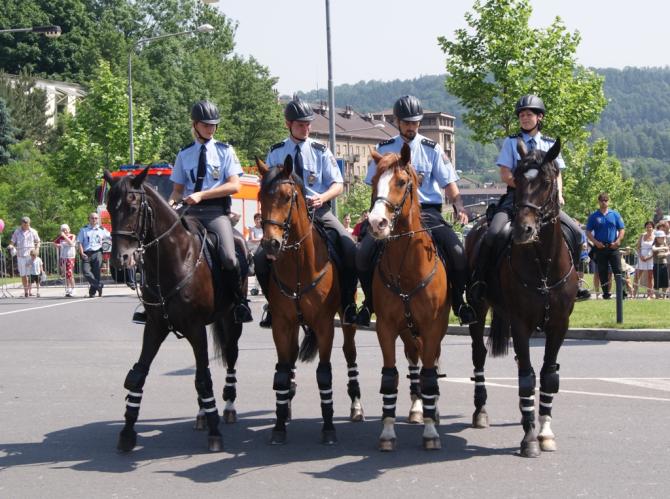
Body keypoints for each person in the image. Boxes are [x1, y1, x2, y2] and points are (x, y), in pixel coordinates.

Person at [357, 95, 477, 326]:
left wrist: (459, 205)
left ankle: (459, 302)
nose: (411, 126)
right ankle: (369, 304)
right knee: (362, 255)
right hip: (390, 213)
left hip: (427, 212)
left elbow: (449, 184)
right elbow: (374, 185)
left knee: (458, 254)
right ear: (397, 122)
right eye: (407, 122)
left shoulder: (431, 148)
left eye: (415, 122)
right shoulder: (383, 149)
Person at [470, 94, 591, 302]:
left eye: (529, 114)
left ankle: (576, 282)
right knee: (493, 234)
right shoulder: (511, 142)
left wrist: (559, 194)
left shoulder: (550, 143)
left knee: (578, 233)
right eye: (522, 115)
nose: (524, 118)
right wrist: (526, 189)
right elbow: (506, 173)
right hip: (516, 198)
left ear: (540, 117)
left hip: (545, 201)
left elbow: (557, 174)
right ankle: (481, 281)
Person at [254, 97, 358, 328]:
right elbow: (268, 187)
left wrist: (323, 197)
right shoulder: (276, 152)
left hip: (319, 212)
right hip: (285, 218)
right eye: (301, 124)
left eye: (308, 124)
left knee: (350, 249)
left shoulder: (321, 150)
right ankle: (273, 306)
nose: (306, 128)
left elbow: (338, 184)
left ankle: (349, 304)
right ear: (288, 124)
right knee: (260, 259)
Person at [170, 100, 252, 323]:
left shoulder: (225, 151)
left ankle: (239, 302)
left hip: (215, 213)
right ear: (195, 124)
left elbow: (235, 185)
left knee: (228, 255)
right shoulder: (184, 154)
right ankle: (154, 304)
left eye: (214, 125)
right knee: (161, 247)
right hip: (189, 213)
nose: (211, 129)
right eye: (206, 125)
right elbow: (177, 190)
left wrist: (202, 195)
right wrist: (170, 202)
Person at [585, 192, 626, 300]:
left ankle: (622, 292)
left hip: (613, 247)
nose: (604, 202)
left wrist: (618, 241)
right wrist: (595, 242)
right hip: (600, 247)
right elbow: (588, 232)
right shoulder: (594, 216)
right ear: (598, 202)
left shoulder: (615, 214)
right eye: (602, 200)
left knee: (618, 269)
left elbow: (621, 229)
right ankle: (606, 293)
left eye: (606, 200)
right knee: (602, 271)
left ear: (609, 201)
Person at [77, 212, 111, 297]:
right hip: (86, 253)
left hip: (97, 252)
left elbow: (110, 236)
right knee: (86, 271)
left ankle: (92, 292)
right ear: (89, 219)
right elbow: (79, 243)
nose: (94, 220)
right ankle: (99, 285)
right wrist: (81, 253)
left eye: (96, 218)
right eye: (92, 218)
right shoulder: (83, 230)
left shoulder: (101, 229)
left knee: (96, 273)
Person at [8, 216, 40, 298]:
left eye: (27, 223)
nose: (26, 225)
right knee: (23, 274)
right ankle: (25, 291)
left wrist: (37, 249)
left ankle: (30, 290)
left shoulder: (33, 231)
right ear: (21, 223)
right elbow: (12, 241)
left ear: (29, 223)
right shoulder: (17, 231)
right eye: (24, 223)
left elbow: (38, 241)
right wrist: (10, 246)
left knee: (31, 274)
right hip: (21, 255)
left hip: (30, 255)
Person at [54, 223, 77, 296]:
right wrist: (58, 245)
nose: (65, 231)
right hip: (63, 257)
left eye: (66, 230)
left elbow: (71, 243)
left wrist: (64, 236)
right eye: (63, 230)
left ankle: (73, 289)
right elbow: (54, 243)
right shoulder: (60, 238)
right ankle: (68, 288)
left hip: (70, 257)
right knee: (66, 274)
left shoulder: (72, 236)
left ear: (69, 230)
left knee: (70, 273)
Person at [634, 221, 655, 299]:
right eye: (647, 227)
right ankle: (634, 294)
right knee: (636, 276)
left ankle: (649, 294)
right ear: (645, 228)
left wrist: (649, 257)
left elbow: (655, 249)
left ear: (653, 228)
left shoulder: (655, 237)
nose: (649, 228)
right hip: (641, 258)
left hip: (651, 258)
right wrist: (640, 256)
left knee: (650, 277)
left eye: (650, 227)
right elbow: (638, 247)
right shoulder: (642, 236)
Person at [652, 230, 669, 298]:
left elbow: (668, 251)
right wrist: (663, 248)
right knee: (657, 281)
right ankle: (657, 296)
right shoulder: (654, 244)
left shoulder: (665, 244)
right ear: (657, 238)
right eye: (660, 237)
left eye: (663, 237)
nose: (662, 238)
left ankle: (664, 296)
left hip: (664, 264)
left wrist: (664, 254)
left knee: (665, 281)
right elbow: (654, 249)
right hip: (656, 264)